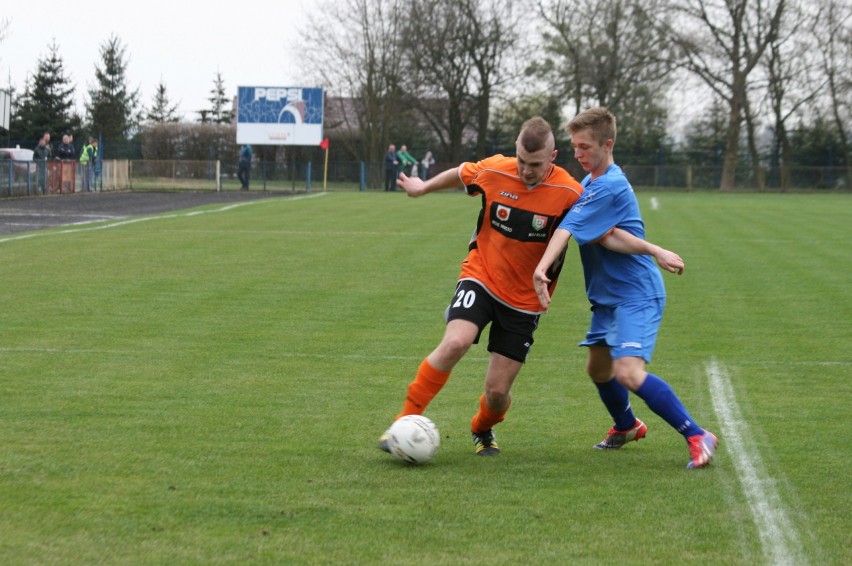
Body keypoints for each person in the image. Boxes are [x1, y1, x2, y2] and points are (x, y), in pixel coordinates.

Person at [377, 117, 642, 457]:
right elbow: (461, 172)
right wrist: (422, 186)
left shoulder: (569, 192)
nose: (526, 170)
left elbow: (605, 232)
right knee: (455, 341)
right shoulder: (495, 170)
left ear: (552, 157)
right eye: (521, 161)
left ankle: (481, 427)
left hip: (525, 302)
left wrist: (652, 250)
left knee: (497, 393)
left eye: (534, 164)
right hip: (481, 275)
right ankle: (403, 420)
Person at [533, 107, 718, 469]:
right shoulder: (590, 185)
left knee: (627, 372)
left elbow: (568, 230)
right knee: (599, 370)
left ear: (607, 144)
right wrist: (653, 248)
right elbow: (608, 235)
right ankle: (628, 425)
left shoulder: (609, 185)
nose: (578, 153)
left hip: (635, 294)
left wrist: (541, 267)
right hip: (608, 299)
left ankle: (697, 434)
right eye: (574, 146)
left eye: (585, 146)